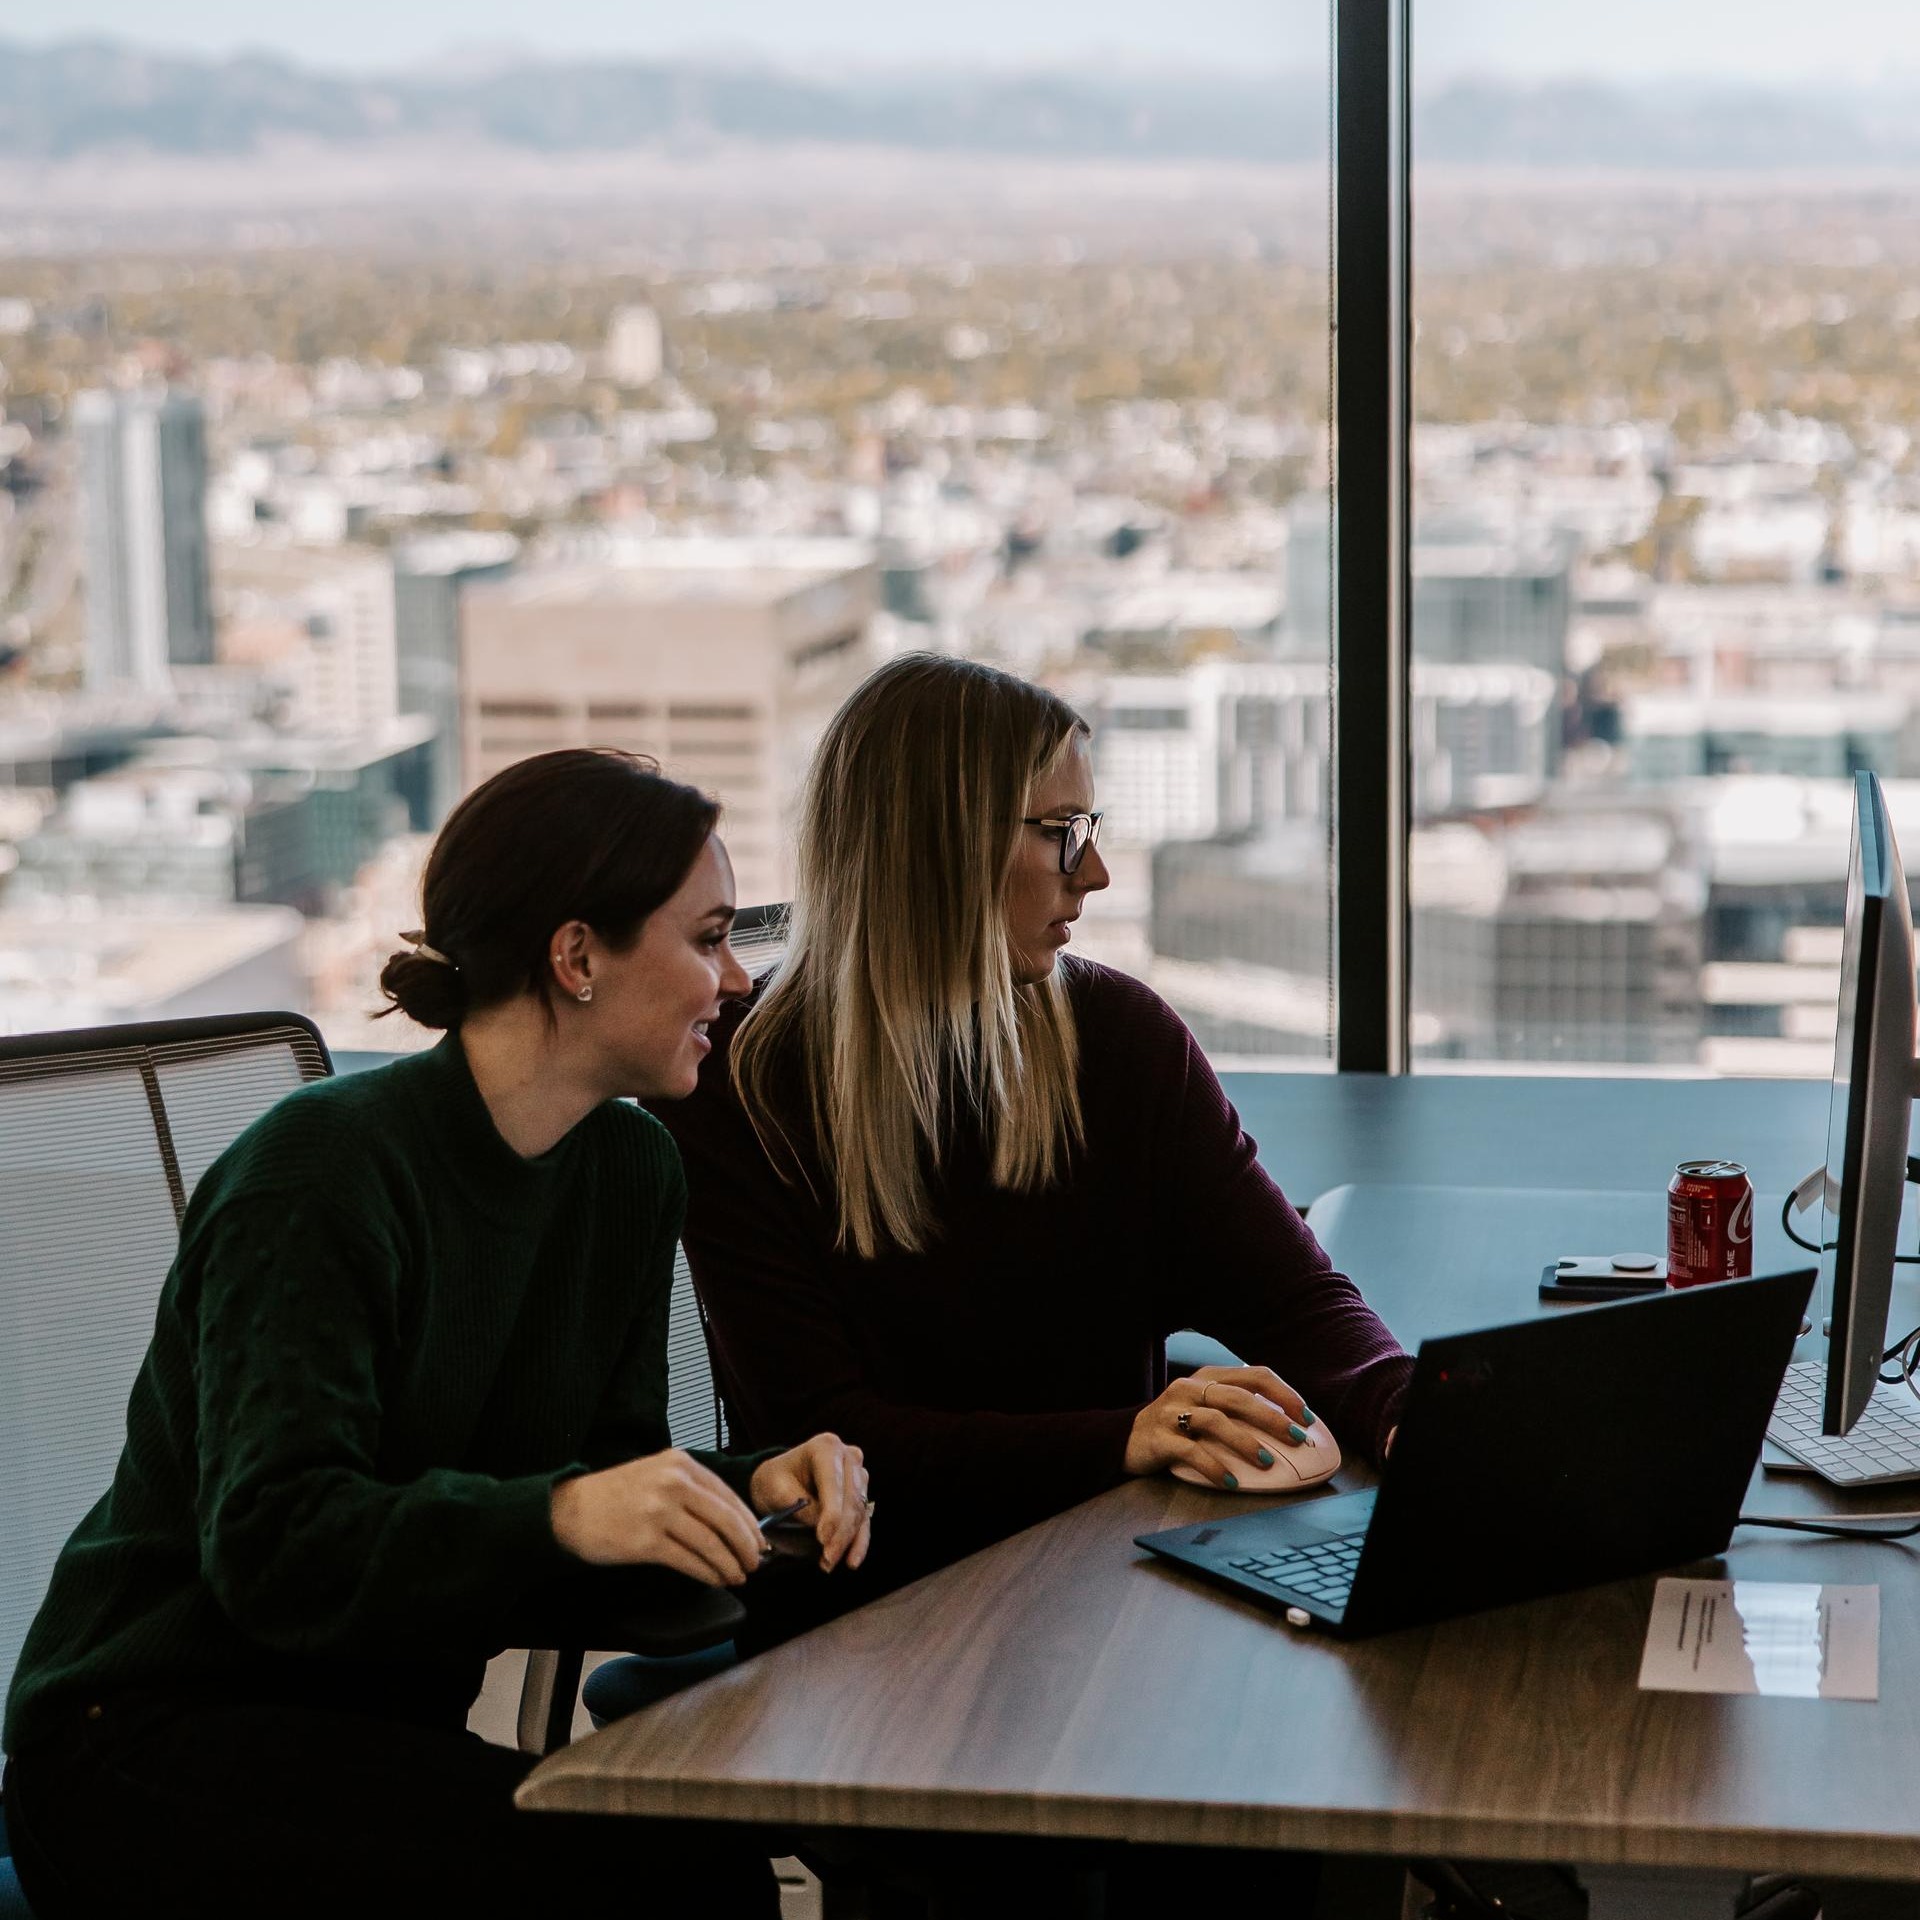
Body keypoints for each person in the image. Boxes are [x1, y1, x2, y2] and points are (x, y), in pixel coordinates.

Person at [1, 748, 870, 1920]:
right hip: (148, 1741)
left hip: (366, 1738)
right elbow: (275, 1548)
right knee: (664, 1881)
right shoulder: (319, 1173)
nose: (734, 980)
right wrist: (570, 1514)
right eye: (707, 937)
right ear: (576, 958)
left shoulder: (627, 1171)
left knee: (695, 1860)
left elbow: (600, 1482)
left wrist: (751, 1488)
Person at [659, 652, 1412, 1623]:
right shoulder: (735, 1084)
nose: (1094, 874)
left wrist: (1405, 1412)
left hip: (1107, 1584)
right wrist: (1125, 1440)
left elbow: (1294, 1301)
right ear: (938, 843)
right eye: (1062, 834)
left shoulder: (1122, 1041)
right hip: (873, 1621)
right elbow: (820, 1437)